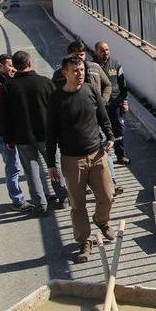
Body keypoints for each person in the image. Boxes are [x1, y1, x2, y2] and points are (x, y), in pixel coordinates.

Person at [46, 55, 116, 263]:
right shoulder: (56, 99)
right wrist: (51, 164)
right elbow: (50, 134)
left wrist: (110, 136)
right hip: (71, 160)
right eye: (75, 71)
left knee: (107, 196)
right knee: (78, 205)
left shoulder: (91, 90)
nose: (80, 74)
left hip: (97, 154)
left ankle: (101, 220)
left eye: (82, 70)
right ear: (65, 73)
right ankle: (85, 242)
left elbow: (103, 117)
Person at [53, 40, 123, 195]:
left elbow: (108, 85)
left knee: (104, 150)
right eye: (76, 55)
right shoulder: (60, 74)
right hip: (75, 123)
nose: (80, 58)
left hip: (96, 117)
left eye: (82, 55)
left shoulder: (94, 68)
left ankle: (111, 181)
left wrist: (102, 102)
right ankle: (87, 184)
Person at [1, 50, 67, 216]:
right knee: (54, 165)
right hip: (47, 135)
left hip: (23, 137)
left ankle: (40, 204)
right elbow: (57, 109)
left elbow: (5, 116)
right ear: (30, 63)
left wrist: (8, 138)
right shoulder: (44, 82)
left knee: (31, 171)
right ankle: (62, 196)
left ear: (15, 66)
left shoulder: (8, 87)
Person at [0, 54, 29, 211]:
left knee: (20, 164)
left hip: (12, 132)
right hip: (2, 134)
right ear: (0, 67)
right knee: (13, 166)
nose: (14, 69)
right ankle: (17, 200)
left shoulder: (8, 81)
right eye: (10, 66)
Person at [94, 41, 131, 165]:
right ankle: (101, 158)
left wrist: (124, 101)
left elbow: (123, 84)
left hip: (115, 103)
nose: (105, 52)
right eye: (102, 50)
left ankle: (120, 156)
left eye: (107, 50)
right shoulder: (92, 66)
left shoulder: (116, 64)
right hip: (99, 105)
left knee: (118, 130)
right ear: (96, 52)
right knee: (98, 130)